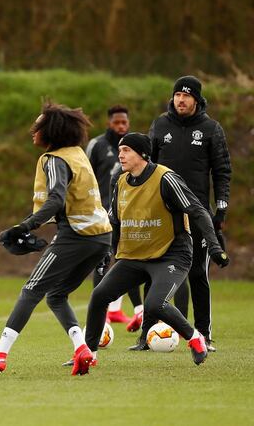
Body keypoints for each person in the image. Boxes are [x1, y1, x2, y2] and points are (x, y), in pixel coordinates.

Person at [0, 103, 112, 375]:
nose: (32, 131)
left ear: (52, 132)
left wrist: (25, 226)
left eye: (38, 127)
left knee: (30, 291)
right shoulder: (77, 154)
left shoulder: (54, 159)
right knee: (56, 296)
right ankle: (83, 349)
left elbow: (56, 200)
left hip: (77, 236)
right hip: (101, 237)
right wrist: (30, 225)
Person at [77, 133, 229, 375]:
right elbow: (114, 221)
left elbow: (198, 211)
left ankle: (195, 337)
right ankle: (89, 355)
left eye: (126, 150)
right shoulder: (119, 181)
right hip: (134, 256)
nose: (120, 154)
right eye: (119, 150)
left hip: (171, 255)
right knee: (99, 296)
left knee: (155, 304)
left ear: (143, 154)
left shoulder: (166, 178)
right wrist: (109, 252)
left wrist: (214, 246)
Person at [137, 76, 232, 352]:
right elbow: (146, 166)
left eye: (187, 95)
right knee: (153, 271)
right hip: (163, 213)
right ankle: (147, 334)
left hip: (197, 213)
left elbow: (223, 172)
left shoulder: (211, 129)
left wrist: (221, 207)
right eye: (178, 94)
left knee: (196, 274)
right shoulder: (160, 125)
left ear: (197, 100)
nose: (181, 99)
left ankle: (203, 336)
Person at [85, 105, 142, 326]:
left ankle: (120, 311)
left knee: (129, 258)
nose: (121, 126)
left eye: (124, 123)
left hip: (129, 212)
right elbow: (85, 176)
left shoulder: (133, 147)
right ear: (109, 123)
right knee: (105, 259)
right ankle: (102, 316)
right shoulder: (97, 145)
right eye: (117, 122)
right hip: (101, 213)